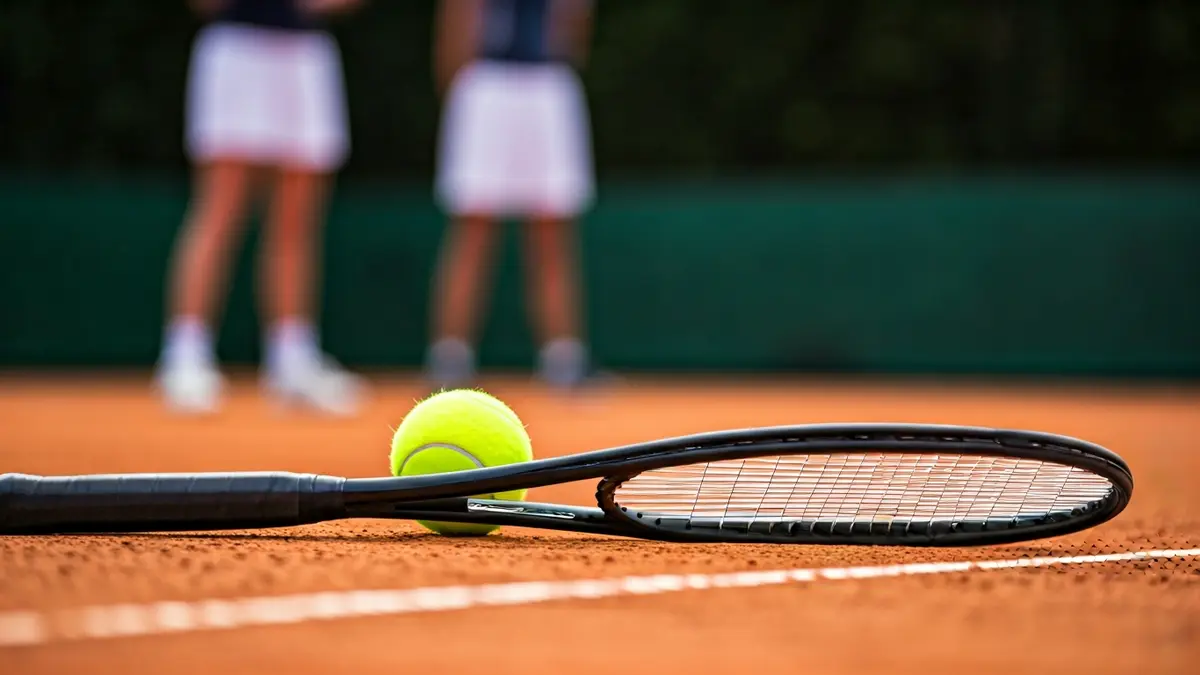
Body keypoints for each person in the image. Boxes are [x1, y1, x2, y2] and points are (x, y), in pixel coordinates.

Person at [156, 0, 365, 415]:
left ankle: (292, 358)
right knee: (220, 207)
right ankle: (185, 355)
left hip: (305, 56)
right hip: (236, 51)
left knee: (296, 220)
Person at [427, 0, 597, 390]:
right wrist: (463, 90)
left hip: (548, 85)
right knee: (473, 228)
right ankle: (450, 358)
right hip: (486, 84)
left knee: (552, 232)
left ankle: (564, 359)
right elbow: (457, 18)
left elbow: (576, 19)